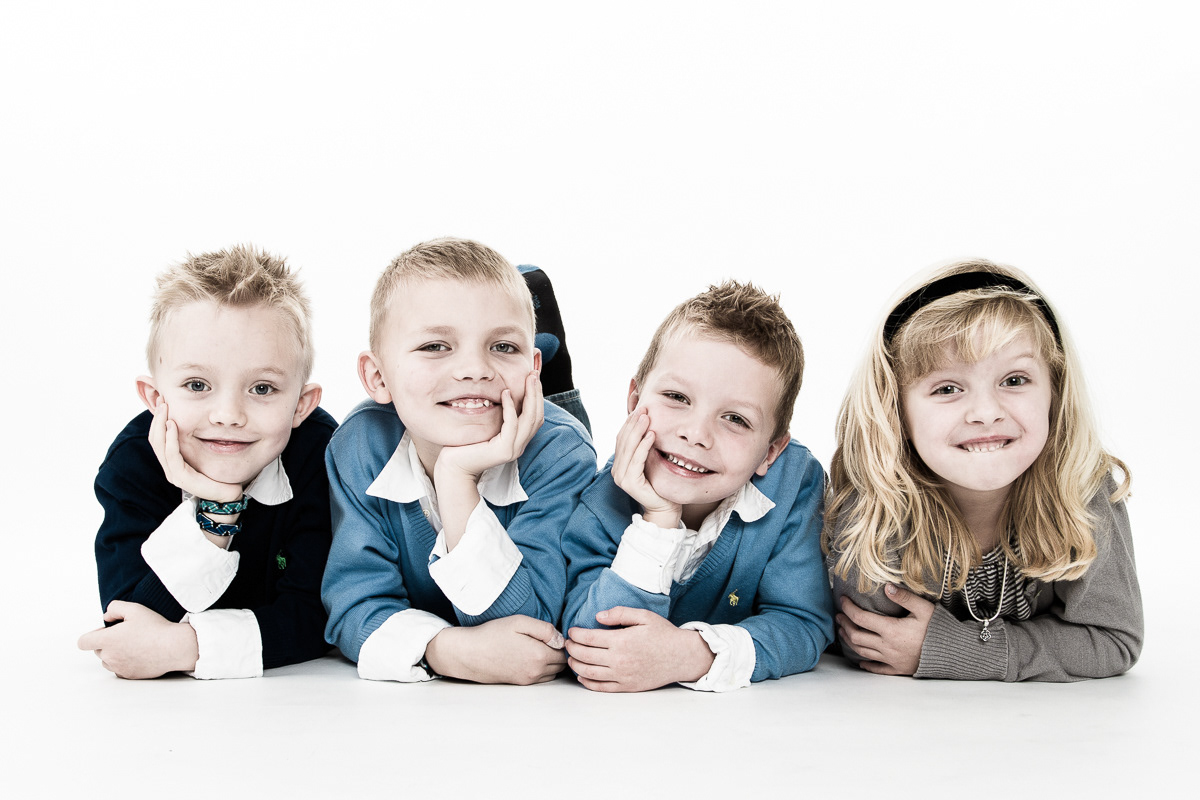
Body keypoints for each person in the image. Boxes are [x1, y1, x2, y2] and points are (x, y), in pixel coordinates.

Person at [825, 259, 1142, 681]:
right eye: (947, 388)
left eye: (1014, 380)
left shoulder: (1080, 484)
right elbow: (871, 642)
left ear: (1055, 390)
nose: (986, 413)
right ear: (895, 410)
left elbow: (1113, 640)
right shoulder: (878, 500)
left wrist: (960, 650)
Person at [321, 237, 596, 684]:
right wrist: (444, 650)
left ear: (533, 368)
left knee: (558, 422)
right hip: (473, 408)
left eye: (502, 347)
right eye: (435, 346)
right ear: (378, 376)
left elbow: (533, 631)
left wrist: (455, 477)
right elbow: (353, 605)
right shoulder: (358, 445)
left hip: (536, 428)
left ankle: (551, 374)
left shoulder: (563, 454)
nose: (474, 368)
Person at [562, 281, 834, 692]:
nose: (696, 434)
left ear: (770, 452)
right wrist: (658, 520)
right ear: (634, 402)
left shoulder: (793, 481)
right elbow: (595, 649)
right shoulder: (602, 502)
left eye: (736, 419)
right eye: (677, 397)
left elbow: (803, 622)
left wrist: (691, 655)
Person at [78, 245, 335, 679]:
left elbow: (319, 613)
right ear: (155, 397)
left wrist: (187, 648)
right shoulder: (132, 467)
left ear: (300, 405)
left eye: (262, 388)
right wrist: (217, 511)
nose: (228, 415)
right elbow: (130, 622)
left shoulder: (320, 455)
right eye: (197, 385)